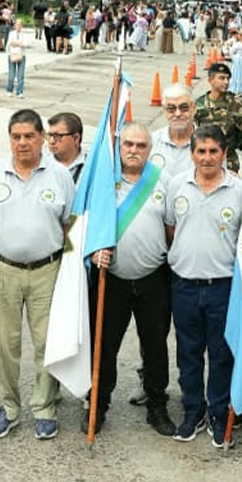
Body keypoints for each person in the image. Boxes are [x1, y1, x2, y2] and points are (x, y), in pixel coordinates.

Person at [0, 110, 76, 440]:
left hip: (47, 270)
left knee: (47, 342)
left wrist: (70, 274)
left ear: (42, 137)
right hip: (2, 268)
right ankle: (9, 408)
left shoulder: (59, 176)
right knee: (4, 342)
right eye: (16, 136)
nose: (22, 143)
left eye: (29, 136)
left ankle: (44, 407)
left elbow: (69, 226)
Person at [86, 123, 177, 436]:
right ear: (119, 147)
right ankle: (98, 404)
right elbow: (84, 226)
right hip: (112, 280)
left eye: (141, 145)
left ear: (150, 149)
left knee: (155, 347)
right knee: (105, 346)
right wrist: (94, 253)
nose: (134, 150)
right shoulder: (103, 182)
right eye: (128, 144)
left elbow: (170, 230)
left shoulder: (162, 181)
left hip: (153, 279)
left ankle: (157, 405)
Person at [165, 125, 242, 446]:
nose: (208, 157)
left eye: (214, 151)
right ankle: (192, 411)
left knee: (221, 353)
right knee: (188, 353)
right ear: (192, 154)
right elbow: (172, 229)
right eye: (201, 151)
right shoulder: (177, 186)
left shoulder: (239, 191)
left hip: (222, 287)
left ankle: (218, 412)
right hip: (184, 285)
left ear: (225, 154)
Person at [194, 62, 242, 171]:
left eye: (228, 78)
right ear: (210, 80)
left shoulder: (236, 104)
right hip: (205, 160)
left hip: (229, 161)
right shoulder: (199, 104)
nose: (226, 82)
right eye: (222, 78)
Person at [150, 85, 196, 179]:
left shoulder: (208, 143)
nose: (178, 114)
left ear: (193, 108)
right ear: (164, 110)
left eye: (184, 108)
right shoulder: (152, 142)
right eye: (171, 109)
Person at [47, 112, 85, 182]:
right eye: (49, 135)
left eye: (58, 136)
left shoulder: (91, 167)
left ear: (75, 138)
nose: (51, 141)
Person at [6, 19, 29, 98]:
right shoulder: (11, 33)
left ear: (22, 26)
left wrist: (16, 44)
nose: (18, 26)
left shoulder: (24, 35)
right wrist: (19, 44)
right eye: (17, 24)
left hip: (21, 55)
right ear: (14, 25)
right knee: (11, 75)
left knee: (21, 75)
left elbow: (25, 44)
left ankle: (19, 91)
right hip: (12, 54)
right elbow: (9, 43)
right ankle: (9, 90)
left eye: (20, 25)